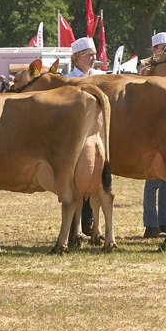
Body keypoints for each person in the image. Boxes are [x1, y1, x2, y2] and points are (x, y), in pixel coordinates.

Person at [66, 36, 109, 236]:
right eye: (89, 55)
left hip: (97, 134)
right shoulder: (69, 79)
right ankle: (74, 226)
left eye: (94, 54)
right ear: (77, 57)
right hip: (76, 137)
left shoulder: (101, 77)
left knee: (95, 178)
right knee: (77, 182)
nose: (93, 58)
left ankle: (90, 224)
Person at [140, 32, 166, 238]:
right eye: (164, 48)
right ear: (154, 49)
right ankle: (151, 224)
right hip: (151, 127)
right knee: (152, 179)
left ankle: (165, 221)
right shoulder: (145, 66)